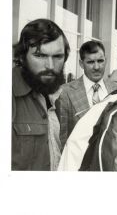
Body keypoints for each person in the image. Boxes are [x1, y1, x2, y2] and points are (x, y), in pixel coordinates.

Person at [12, 18, 70, 170]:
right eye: (40, 56)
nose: (50, 66)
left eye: (57, 57)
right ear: (21, 57)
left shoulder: (59, 95)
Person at [56, 40, 117, 148]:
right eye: (91, 62)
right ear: (81, 64)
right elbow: (62, 138)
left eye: (100, 61)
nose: (97, 67)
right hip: (78, 162)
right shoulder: (65, 93)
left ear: (106, 61)